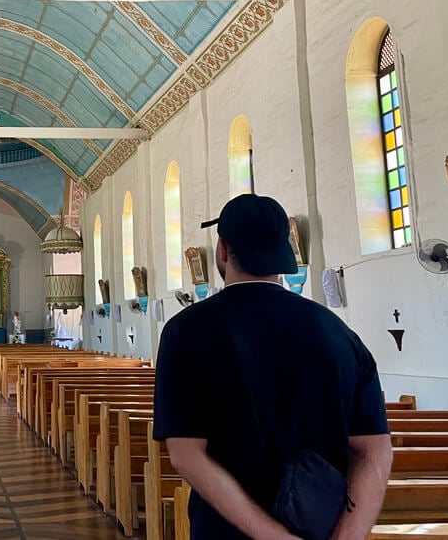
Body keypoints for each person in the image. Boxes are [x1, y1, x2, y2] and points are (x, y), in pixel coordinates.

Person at [153, 194, 391, 540]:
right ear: (285, 250)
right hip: (321, 528)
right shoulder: (338, 333)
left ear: (222, 250)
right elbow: (375, 450)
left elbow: (187, 455)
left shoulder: (185, 331)